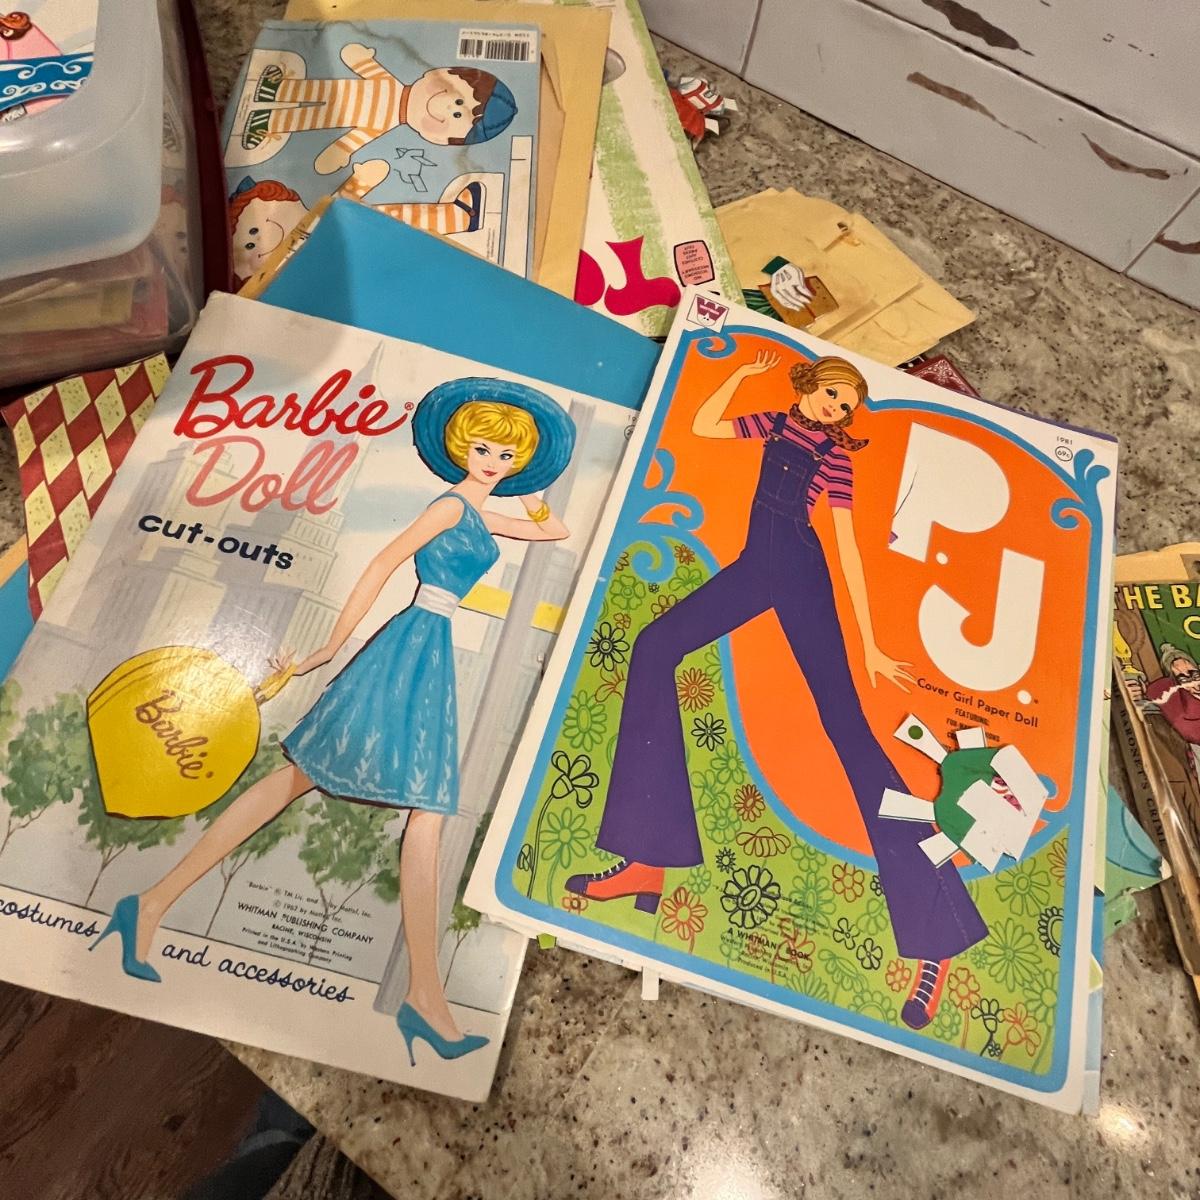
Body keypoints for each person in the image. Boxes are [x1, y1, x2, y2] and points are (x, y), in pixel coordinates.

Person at [93, 379, 575, 1066]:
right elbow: (381, 564)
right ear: (459, 448)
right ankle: (156, 905)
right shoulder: (448, 507)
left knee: (388, 800)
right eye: (483, 449)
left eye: (507, 454)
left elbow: (554, 530)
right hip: (407, 646)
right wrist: (328, 647)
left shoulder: (484, 513)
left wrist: (534, 485)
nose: (493, 462)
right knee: (338, 786)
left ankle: (155, 905)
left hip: (431, 654)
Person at [566, 350, 988, 1029]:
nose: (838, 408)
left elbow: (846, 548)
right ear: (810, 387)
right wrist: (738, 376)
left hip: (801, 576)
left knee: (850, 733)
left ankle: (937, 938)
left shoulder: (837, 459)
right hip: (753, 568)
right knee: (653, 648)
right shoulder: (772, 423)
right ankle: (647, 860)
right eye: (833, 394)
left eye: (848, 404)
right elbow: (704, 426)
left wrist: (870, 643)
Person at [240, 43, 517, 173]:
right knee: (312, 89)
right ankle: (278, 89)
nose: (446, 106)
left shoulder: (383, 124)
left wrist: (339, 152)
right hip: (333, 89)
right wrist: (360, 58)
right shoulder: (388, 84)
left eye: (457, 114)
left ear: (439, 140)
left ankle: (269, 123)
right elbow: (365, 66)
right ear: (441, 73)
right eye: (457, 100)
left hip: (333, 116)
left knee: (309, 119)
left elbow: (357, 137)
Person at [228, 165, 485, 288]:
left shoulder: (325, 213)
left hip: (356, 236)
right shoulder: (284, 273)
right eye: (251, 244)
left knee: (395, 220)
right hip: (362, 269)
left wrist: (361, 181)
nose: (259, 241)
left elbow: (342, 200)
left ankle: (457, 216)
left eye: (253, 232)